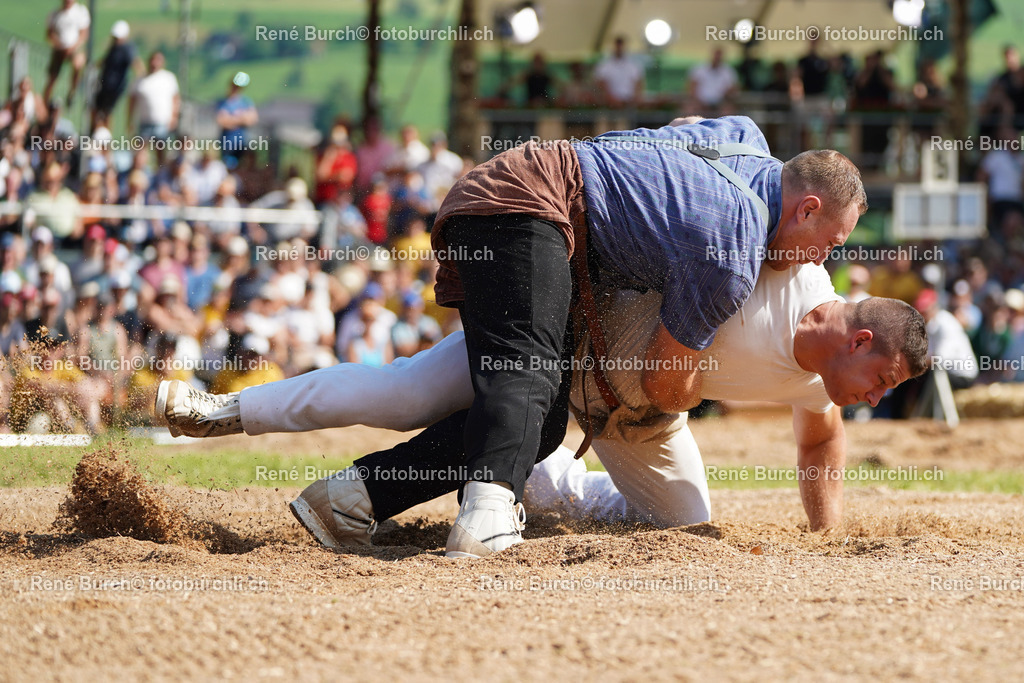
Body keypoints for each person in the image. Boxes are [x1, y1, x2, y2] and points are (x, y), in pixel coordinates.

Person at [164, 115, 868, 560]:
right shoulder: (736, 248)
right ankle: (483, 519)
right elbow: (664, 383)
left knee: (430, 392)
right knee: (525, 392)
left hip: (548, 223)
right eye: (825, 243)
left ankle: (263, 437)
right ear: (803, 207)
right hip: (535, 208)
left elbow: (690, 136)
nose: (820, 261)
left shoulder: (747, 143)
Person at [157, 262, 928, 538]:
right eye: (883, 381)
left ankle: (543, 481)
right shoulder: (784, 265)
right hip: (557, 346)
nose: (873, 400)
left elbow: (821, 438)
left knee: (688, 526)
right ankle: (225, 411)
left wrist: (824, 538)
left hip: (643, 417)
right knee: (403, 394)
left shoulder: (819, 380)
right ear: (860, 341)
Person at [92, 20, 140, 133]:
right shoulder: (113, 49)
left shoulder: (126, 49)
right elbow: (104, 61)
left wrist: (142, 76)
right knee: (98, 110)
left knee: (107, 111)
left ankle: (105, 138)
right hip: (105, 86)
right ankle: (99, 133)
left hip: (114, 88)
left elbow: (135, 63)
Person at [43, 0, 91, 105]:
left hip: (74, 48)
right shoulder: (55, 14)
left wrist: (72, 48)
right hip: (59, 49)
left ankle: (72, 91)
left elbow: (84, 35)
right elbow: (49, 35)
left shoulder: (80, 12)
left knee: (78, 64)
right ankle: (46, 100)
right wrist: (59, 45)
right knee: (52, 77)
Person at [216, 72, 259, 169]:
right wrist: (241, 119)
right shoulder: (223, 102)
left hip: (242, 145)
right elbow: (222, 121)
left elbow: (252, 119)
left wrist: (232, 119)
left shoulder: (246, 101)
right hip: (227, 145)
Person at [594, 36, 644, 106]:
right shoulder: (604, 66)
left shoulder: (633, 66)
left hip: (629, 104)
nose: (619, 48)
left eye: (621, 45)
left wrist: (633, 100)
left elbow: (638, 86)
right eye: (617, 45)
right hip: (610, 105)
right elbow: (600, 86)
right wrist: (611, 99)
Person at [688, 48, 738, 113]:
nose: (717, 58)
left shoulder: (728, 71)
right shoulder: (699, 69)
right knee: (690, 109)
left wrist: (725, 97)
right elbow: (692, 87)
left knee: (727, 111)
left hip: (720, 103)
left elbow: (733, 88)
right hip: (700, 102)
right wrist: (698, 101)